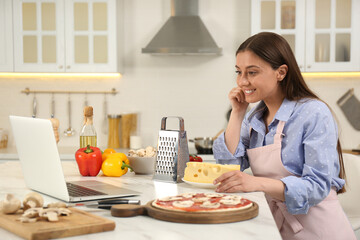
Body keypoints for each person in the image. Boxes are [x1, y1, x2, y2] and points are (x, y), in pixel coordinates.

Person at [212, 32, 356, 240]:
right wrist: (237, 113)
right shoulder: (254, 117)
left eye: (252, 72)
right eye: (239, 72)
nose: (242, 81)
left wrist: (256, 183)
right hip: (275, 228)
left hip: (319, 231)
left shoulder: (313, 113)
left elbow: (318, 187)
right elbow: (228, 165)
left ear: (280, 72)